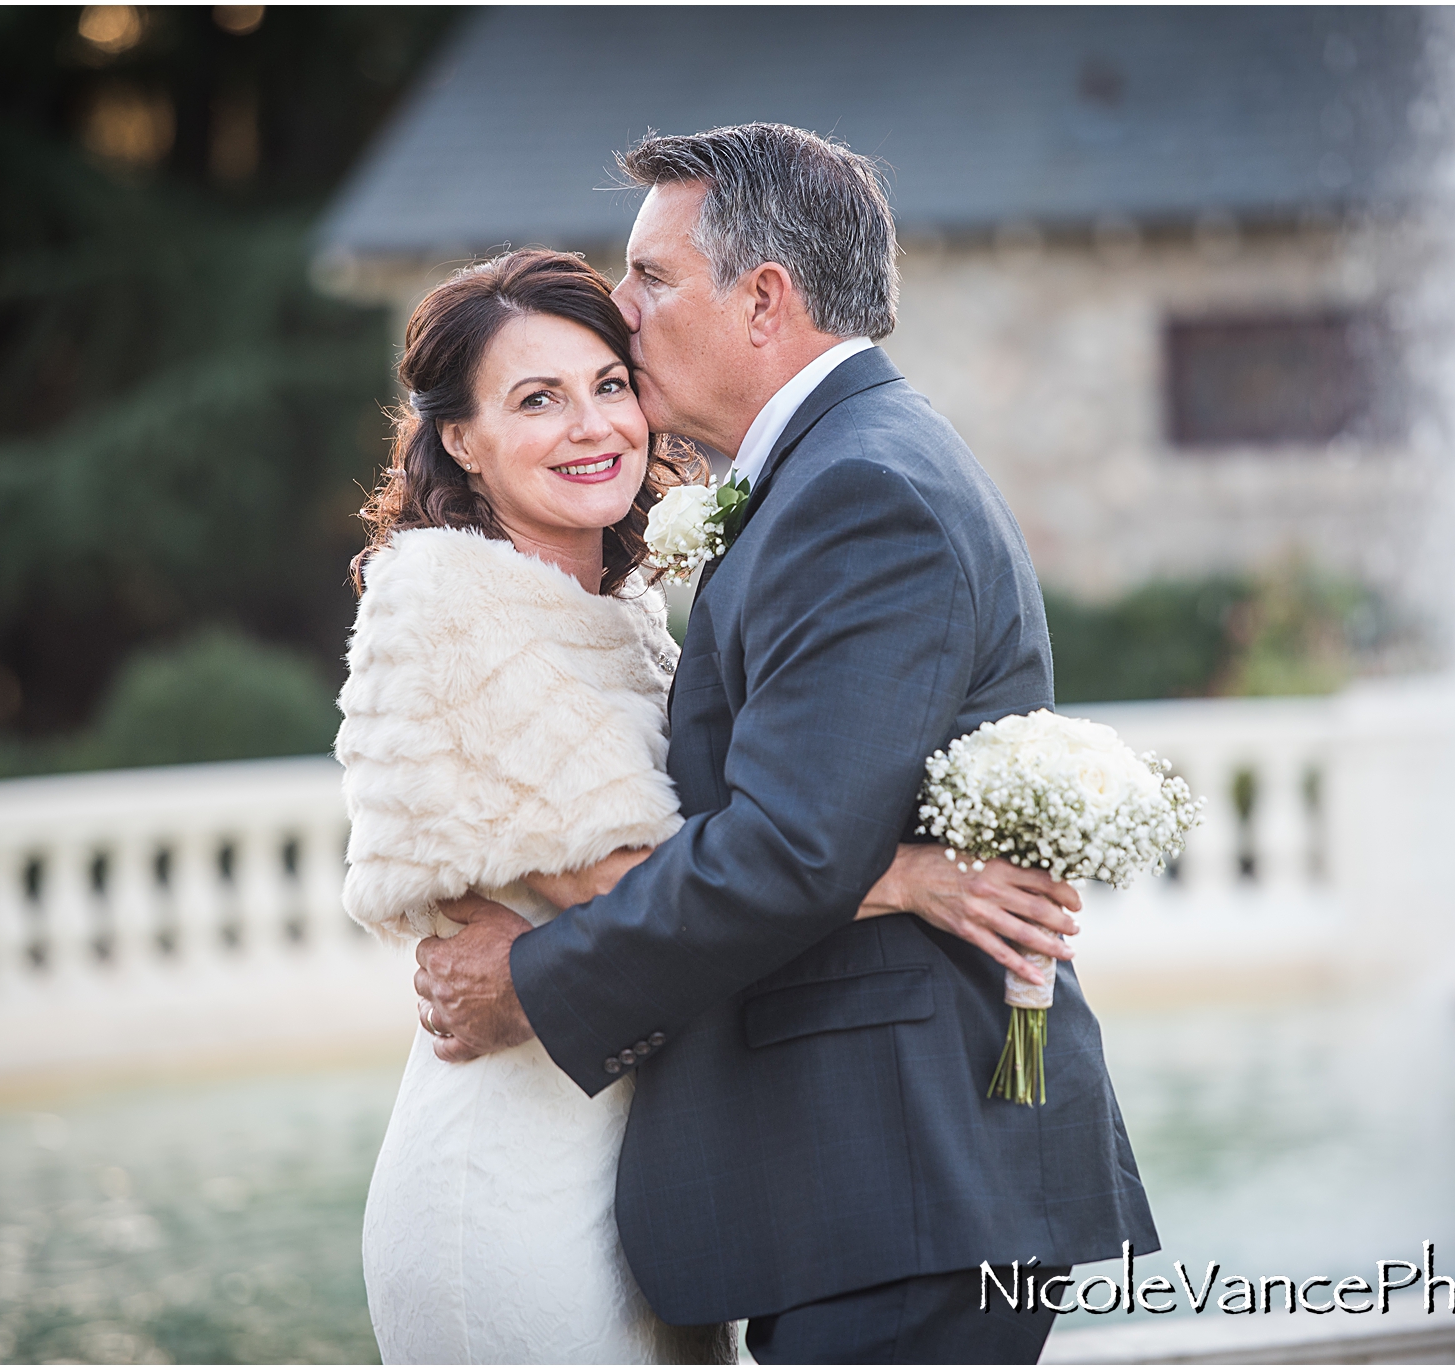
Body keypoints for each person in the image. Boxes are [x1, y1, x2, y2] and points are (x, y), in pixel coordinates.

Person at [415, 124, 1159, 1365]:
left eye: (651, 277)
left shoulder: (863, 491)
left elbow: (789, 848)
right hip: (867, 1184)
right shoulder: (829, 471)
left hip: (898, 1175)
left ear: (764, 299)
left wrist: (527, 983)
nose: (621, 307)